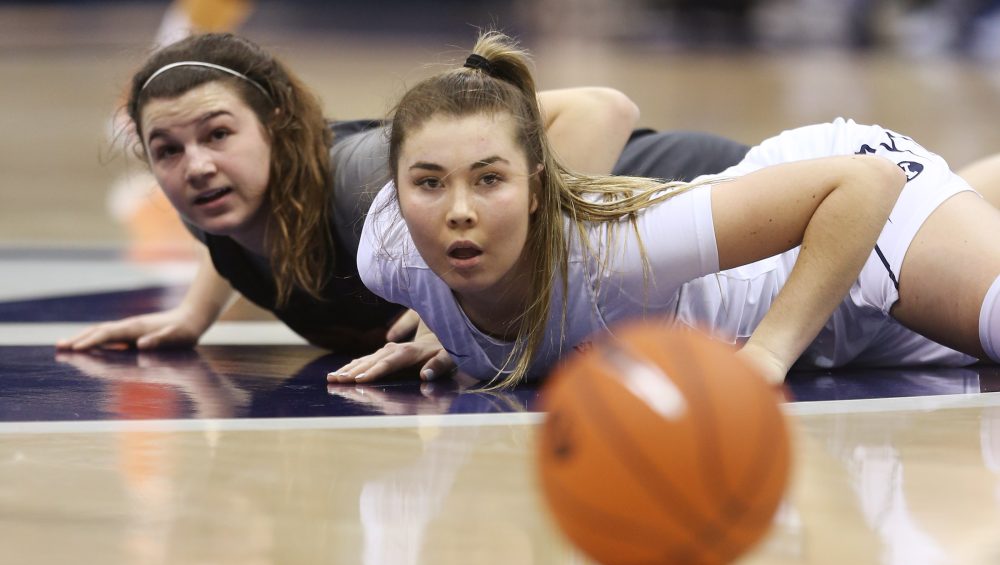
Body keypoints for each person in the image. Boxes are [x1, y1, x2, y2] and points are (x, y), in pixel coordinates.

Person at [349, 29, 1000, 389]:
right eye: (428, 183)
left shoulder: (615, 254)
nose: (457, 209)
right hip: (838, 336)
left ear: (539, 188)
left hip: (853, 235)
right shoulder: (388, 251)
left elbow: (865, 185)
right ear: (398, 194)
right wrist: (446, 322)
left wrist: (765, 358)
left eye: (490, 178)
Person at [56, 32, 750, 359]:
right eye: (167, 151)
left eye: (217, 134)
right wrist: (192, 314)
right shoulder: (222, 208)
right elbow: (230, 243)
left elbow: (603, 109)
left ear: (274, 127)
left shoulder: (362, 184)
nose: (196, 167)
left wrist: (459, 319)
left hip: (692, 191)